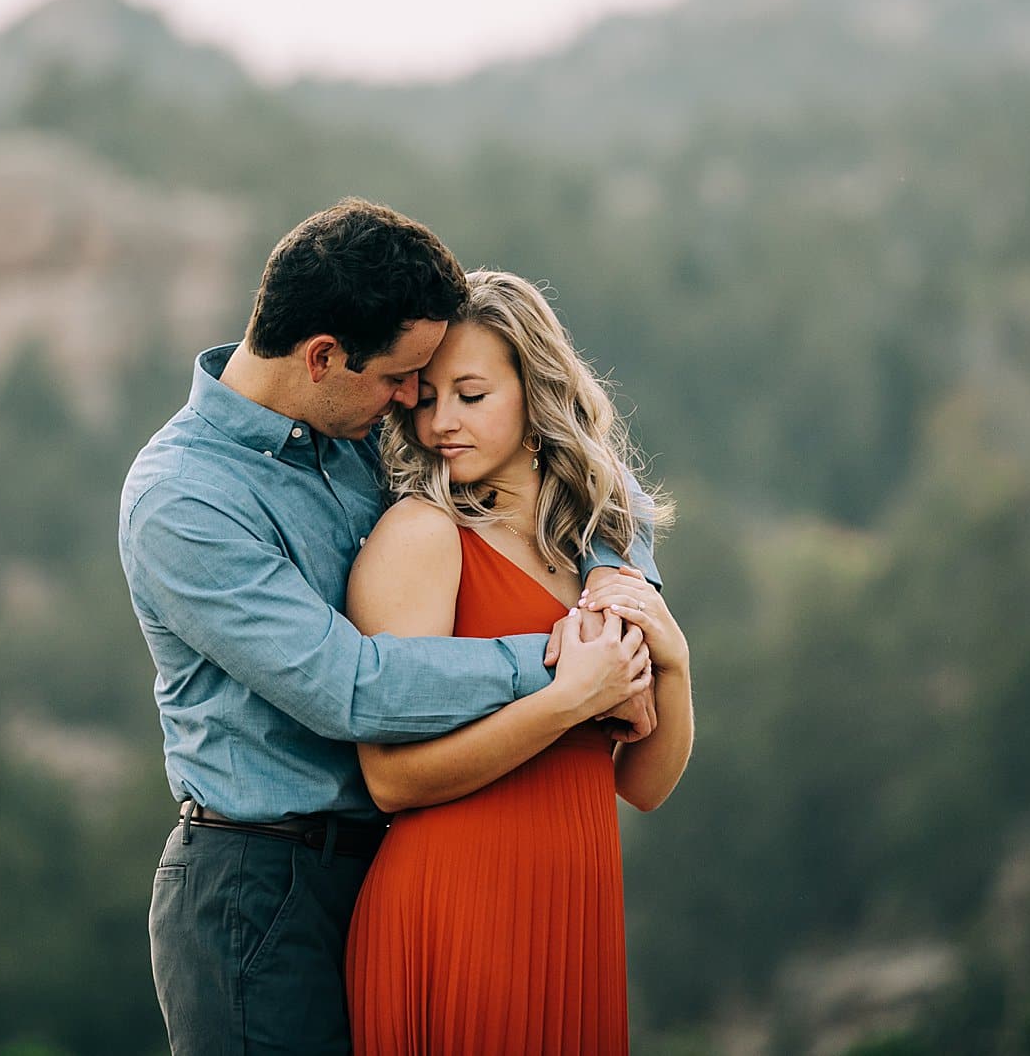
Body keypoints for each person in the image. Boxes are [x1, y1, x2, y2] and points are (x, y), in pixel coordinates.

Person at [118, 201, 662, 1056]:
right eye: (400, 377)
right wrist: (563, 666)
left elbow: (586, 469)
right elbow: (353, 686)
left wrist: (615, 586)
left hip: (392, 865)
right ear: (323, 356)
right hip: (263, 890)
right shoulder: (185, 500)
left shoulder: (358, 426)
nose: (417, 403)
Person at [345, 270, 694, 1056]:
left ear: (535, 395)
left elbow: (642, 785)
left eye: (470, 394)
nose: (441, 422)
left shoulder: (592, 554)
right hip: (461, 902)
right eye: (428, 397)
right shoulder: (422, 536)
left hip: (574, 907)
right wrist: (569, 701)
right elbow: (390, 777)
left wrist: (673, 664)